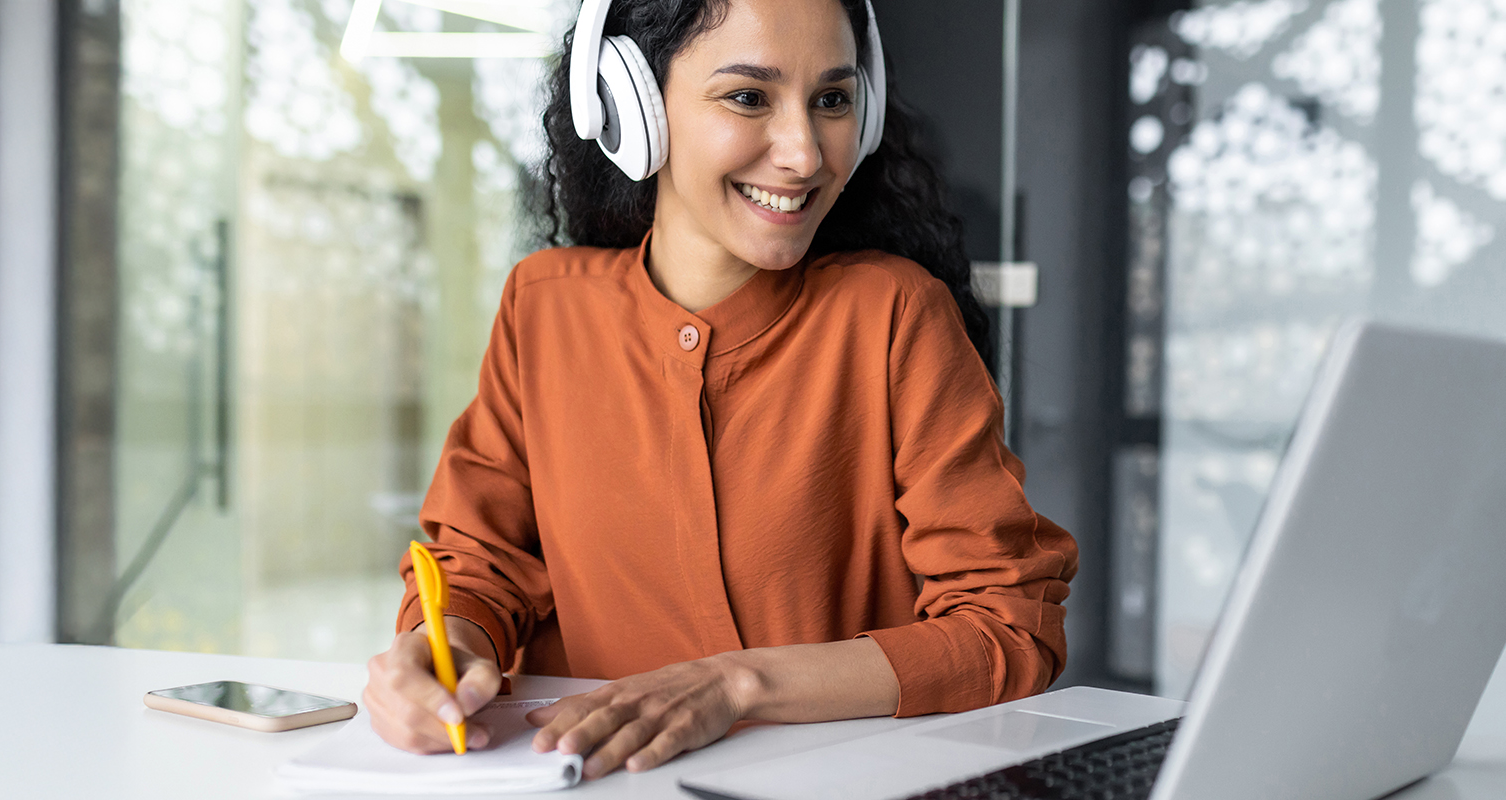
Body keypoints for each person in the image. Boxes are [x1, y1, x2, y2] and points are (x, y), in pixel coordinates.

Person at [360, 0, 1077, 782]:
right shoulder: (543, 307)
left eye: (832, 100)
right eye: (748, 97)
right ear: (631, 106)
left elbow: (1007, 628)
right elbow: (476, 567)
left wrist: (737, 684)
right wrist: (444, 651)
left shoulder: (894, 317)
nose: (804, 153)